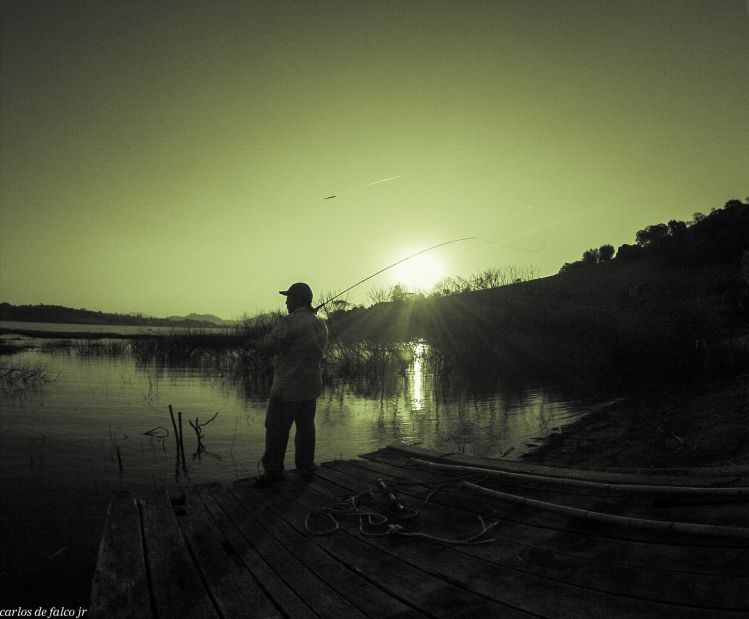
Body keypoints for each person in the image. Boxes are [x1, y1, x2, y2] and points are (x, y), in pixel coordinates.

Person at [249, 282, 328, 487]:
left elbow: (270, 347)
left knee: (276, 430)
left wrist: (255, 343)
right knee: (306, 431)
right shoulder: (321, 324)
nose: (285, 302)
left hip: (287, 389)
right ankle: (306, 469)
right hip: (311, 389)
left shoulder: (289, 322)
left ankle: (273, 474)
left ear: (298, 299)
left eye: (289, 297)